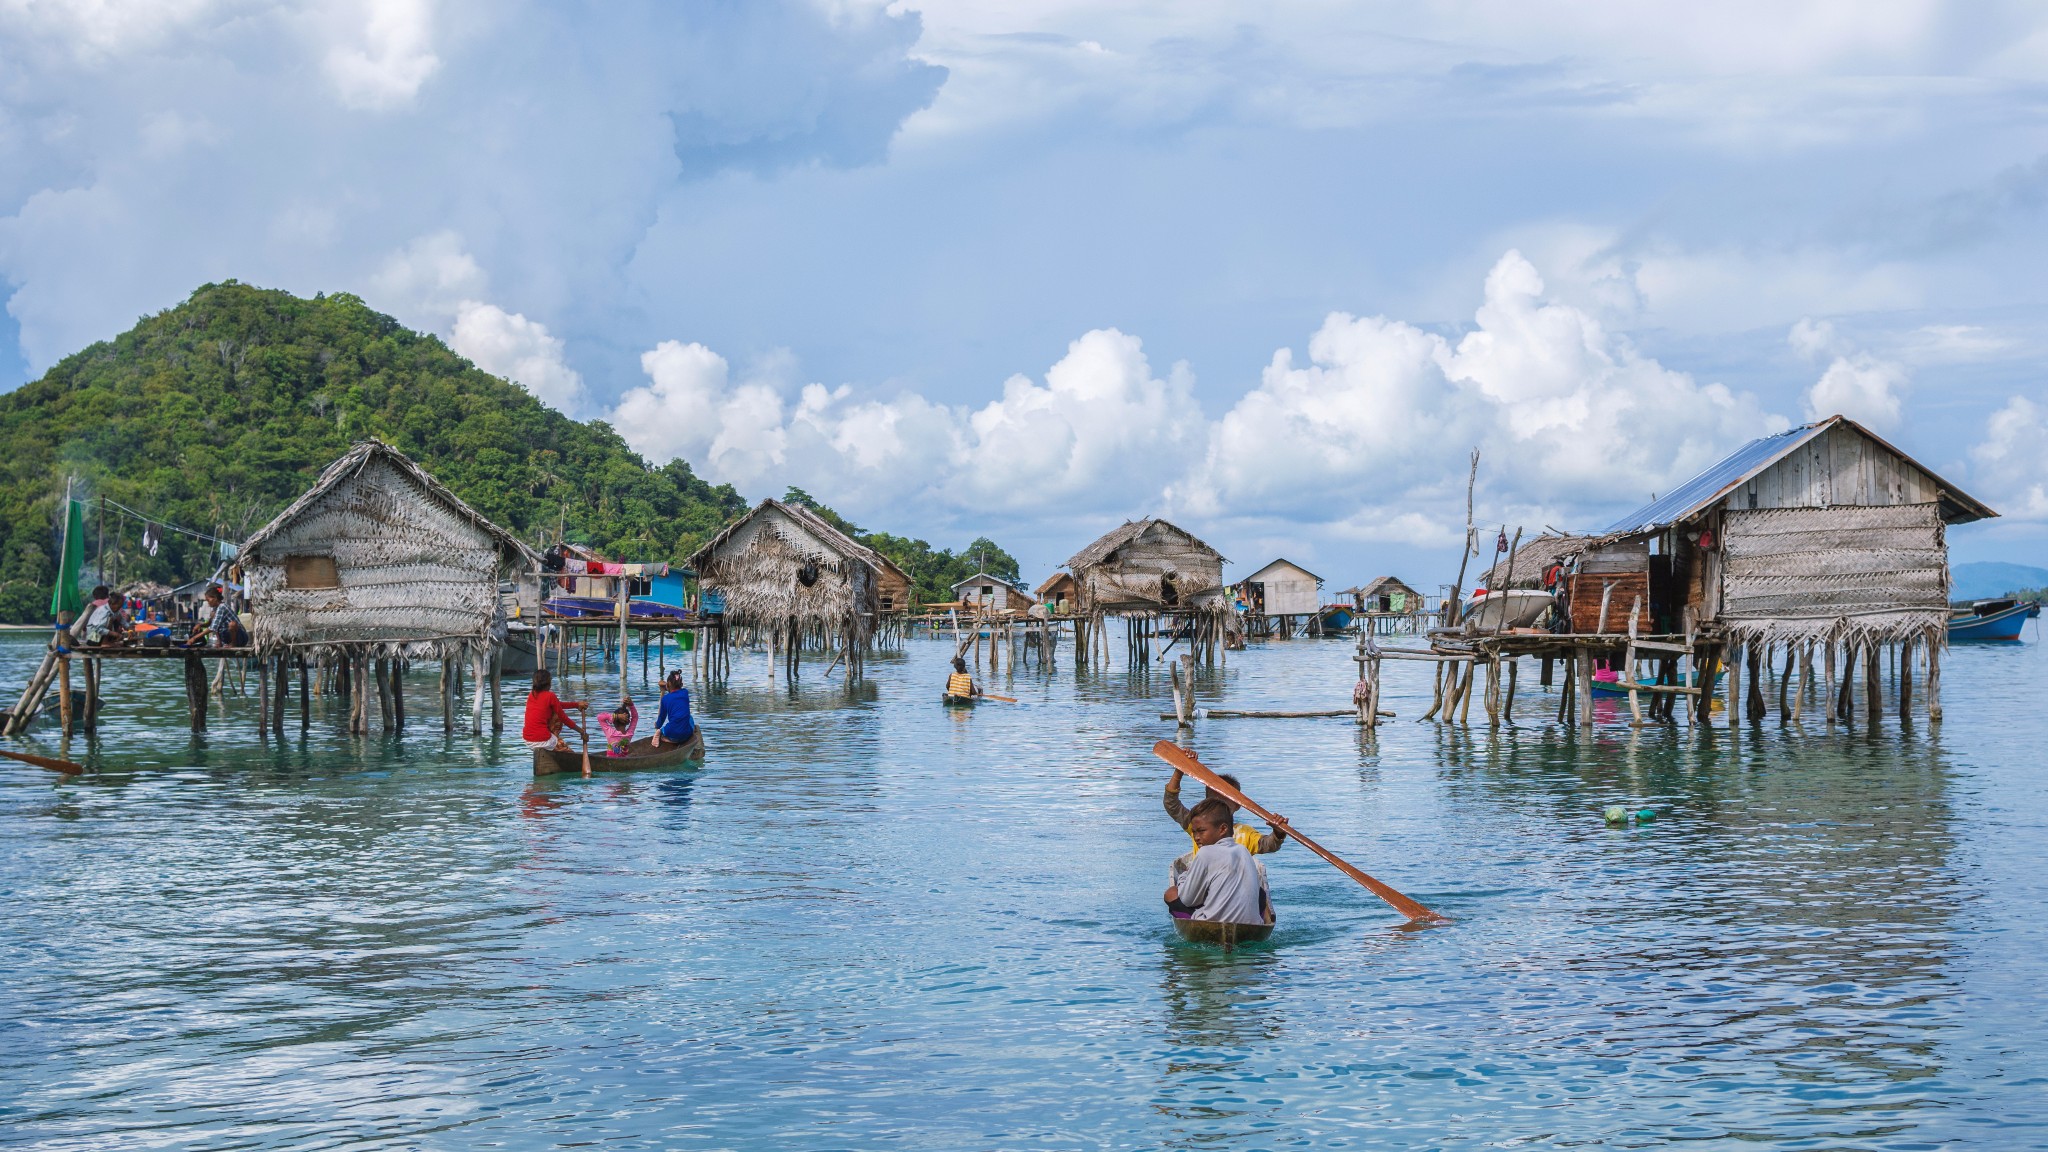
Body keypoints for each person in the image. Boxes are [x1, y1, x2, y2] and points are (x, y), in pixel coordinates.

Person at [1164, 798, 1269, 925]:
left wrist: (1183, 878)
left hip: (1212, 923)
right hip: (1252, 926)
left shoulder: (1205, 853)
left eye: (1201, 831)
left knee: (1171, 894)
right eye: (1194, 832)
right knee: (1261, 893)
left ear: (1223, 829)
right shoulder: (1243, 851)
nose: (1196, 837)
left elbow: (1188, 900)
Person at [1164, 766, 1286, 857]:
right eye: (1213, 800)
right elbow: (1171, 804)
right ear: (1206, 803)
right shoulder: (1197, 825)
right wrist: (1179, 770)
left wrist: (1278, 833)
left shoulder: (1244, 833)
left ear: (1237, 806)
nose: (1218, 806)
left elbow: (1269, 845)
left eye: (1224, 802)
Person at [521, 668, 586, 752]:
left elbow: (557, 705)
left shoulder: (531, 695)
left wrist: (576, 705)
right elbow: (564, 718)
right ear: (548, 683)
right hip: (542, 740)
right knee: (557, 715)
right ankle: (556, 741)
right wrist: (581, 731)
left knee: (554, 710)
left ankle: (553, 740)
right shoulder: (550, 696)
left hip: (527, 739)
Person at [652, 671, 695, 747]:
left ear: (668, 684)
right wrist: (667, 686)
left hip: (672, 733)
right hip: (687, 734)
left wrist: (657, 725)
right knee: (690, 718)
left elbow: (662, 718)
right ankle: (671, 738)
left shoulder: (665, 699)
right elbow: (675, 689)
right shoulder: (685, 692)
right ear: (681, 684)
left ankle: (661, 731)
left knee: (669, 727)